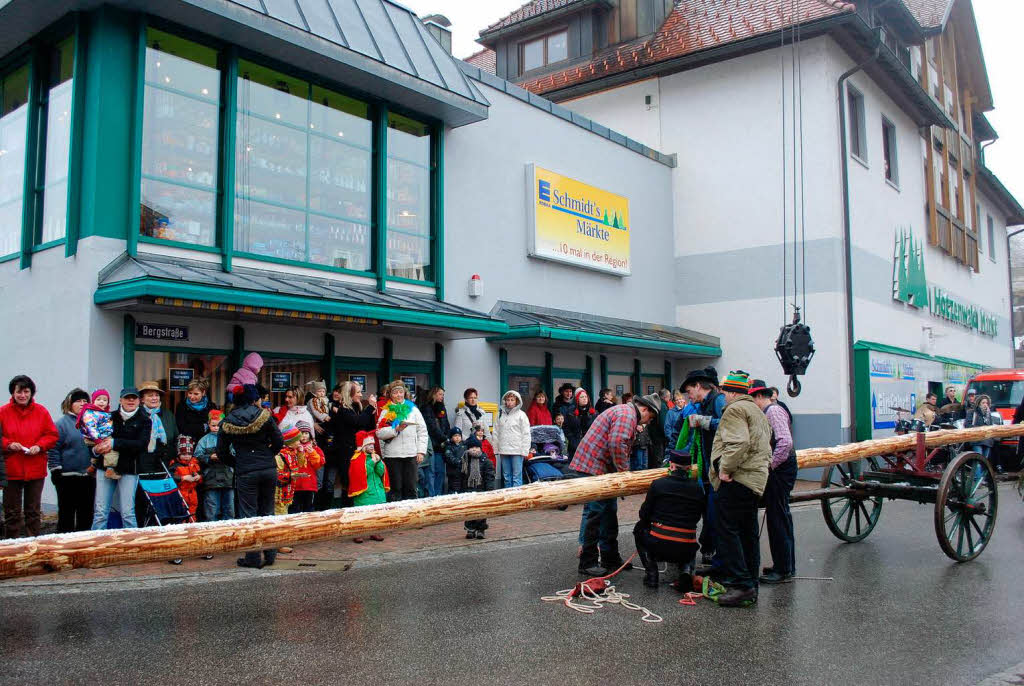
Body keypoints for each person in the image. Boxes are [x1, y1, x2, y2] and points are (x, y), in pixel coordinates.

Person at [571, 393, 661, 576]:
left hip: (600, 467)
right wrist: (624, 472)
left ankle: (610, 557)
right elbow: (617, 443)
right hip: (594, 467)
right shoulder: (628, 415)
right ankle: (587, 562)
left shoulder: (624, 412)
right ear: (644, 409)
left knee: (609, 511)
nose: (647, 423)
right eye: (649, 418)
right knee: (596, 513)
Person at [708, 371, 771, 607]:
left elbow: (739, 442)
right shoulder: (756, 410)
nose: (722, 396)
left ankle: (740, 584)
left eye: (724, 391)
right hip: (754, 479)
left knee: (728, 531)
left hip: (738, 479)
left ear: (733, 392)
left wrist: (725, 469)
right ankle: (750, 581)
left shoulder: (735, 409)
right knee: (747, 532)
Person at [217, 383, 284, 569]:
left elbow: (221, 452)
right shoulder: (264, 416)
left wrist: (237, 462)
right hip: (268, 468)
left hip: (245, 470)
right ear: (254, 399)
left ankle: (253, 558)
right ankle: (270, 554)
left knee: (249, 515)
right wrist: (269, 455)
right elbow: (279, 440)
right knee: (268, 511)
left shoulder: (228, 421)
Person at [633, 449, 705, 588]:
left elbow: (643, 514)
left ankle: (652, 573)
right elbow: (697, 517)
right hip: (686, 546)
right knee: (687, 531)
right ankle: (686, 570)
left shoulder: (658, 484)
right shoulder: (697, 489)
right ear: (689, 468)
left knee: (639, 528)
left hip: (659, 545)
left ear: (671, 466)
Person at [750, 380, 797, 584]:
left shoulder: (773, 411)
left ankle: (784, 569)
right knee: (777, 517)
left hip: (781, 470)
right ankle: (783, 564)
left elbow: (785, 442)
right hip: (779, 468)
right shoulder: (770, 411)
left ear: (760, 396)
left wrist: (770, 465)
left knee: (778, 518)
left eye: (752, 399)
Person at [1, 375, 59, 538]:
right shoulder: (3, 412)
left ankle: (33, 545)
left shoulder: (41, 411)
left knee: (33, 511)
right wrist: (8, 444)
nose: (22, 395)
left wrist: (39, 446)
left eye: (26, 391)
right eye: (18, 391)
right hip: (11, 469)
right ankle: (11, 546)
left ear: (31, 393)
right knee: (12, 512)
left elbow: (52, 435)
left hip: (35, 468)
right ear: (12, 393)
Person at [682, 366, 726, 565]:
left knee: (715, 514)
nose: (689, 397)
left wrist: (704, 421)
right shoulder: (705, 403)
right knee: (708, 511)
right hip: (710, 468)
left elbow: (727, 424)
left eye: (690, 391)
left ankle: (717, 557)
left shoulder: (718, 400)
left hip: (720, 469)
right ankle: (710, 551)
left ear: (698, 386)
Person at [91, 388, 151, 530]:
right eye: (127, 398)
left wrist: (114, 443)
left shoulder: (145, 420)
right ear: (120, 400)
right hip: (105, 467)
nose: (130, 401)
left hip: (130, 469)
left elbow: (141, 445)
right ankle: (96, 547)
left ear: (139, 400)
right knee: (100, 512)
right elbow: (94, 439)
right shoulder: (108, 417)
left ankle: (132, 547)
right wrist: (95, 450)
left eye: (134, 398)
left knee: (128, 513)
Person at [48, 388, 96, 532]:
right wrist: (56, 470)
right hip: (67, 477)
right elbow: (53, 449)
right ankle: (64, 547)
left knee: (86, 515)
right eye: (78, 401)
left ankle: (83, 547)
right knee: (66, 515)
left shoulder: (92, 422)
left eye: (85, 401)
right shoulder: (61, 424)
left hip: (88, 476)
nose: (82, 403)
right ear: (70, 403)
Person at [376, 380, 428, 502]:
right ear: (390, 395)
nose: (399, 395)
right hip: (393, 456)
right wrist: (395, 429)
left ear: (404, 393)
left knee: (411, 488)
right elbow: (379, 433)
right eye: (395, 393)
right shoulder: (386, 411)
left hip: (411, 455)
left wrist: (420, 451)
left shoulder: (413, 410)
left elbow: (422, 431)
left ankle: (412, 518)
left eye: (401, 392)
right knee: (395, 489)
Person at [328, 381, 377, 506]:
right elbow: (358, 422)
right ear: (350, 394)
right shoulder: (344, 410)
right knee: (348, 484)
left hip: (354, 451)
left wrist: (371, 413)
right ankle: (347, 512)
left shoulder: (354, 407)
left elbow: (365, 425)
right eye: (359, 392)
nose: (361, 395)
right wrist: (370, 407)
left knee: (354, 483)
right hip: (345, 453)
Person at [348, 431, 388, 542]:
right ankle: (358, 533)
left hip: (377, 491)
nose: (371, 446)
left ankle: (374, 532)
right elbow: (362, 474)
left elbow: (381, 473)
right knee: (362, 514)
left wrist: (378, 462)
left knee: (376, 513)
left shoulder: (375, 456)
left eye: (373, 444)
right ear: (363, 446)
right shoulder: (357, 459)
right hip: (365, 493)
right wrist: (371, 463)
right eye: (369, 444)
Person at [195, 410, 234, 523]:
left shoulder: (229, 438)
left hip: (228, 477)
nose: (216, 428)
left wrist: (225, 456)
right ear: (208, 424)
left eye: (219, 425)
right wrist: (208, 457)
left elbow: (236, 453)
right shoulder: (204, 440)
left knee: (229, 508)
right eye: (213, 425)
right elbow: (197, 455)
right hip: (211, 478)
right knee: (212, 508)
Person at [461, 425, 497, 538]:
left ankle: (481, 529)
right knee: (470, 510)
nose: (474, 450)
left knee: (482, 511)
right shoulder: (465, 460)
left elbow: (490, 477)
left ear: (480, 448)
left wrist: (490, 490)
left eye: (476, 448)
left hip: (482, 489)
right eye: (472, 448)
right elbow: (462, 476)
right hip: (469, 489)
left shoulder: (486, 461)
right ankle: (470, 529)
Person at [494, 390, 531, 488]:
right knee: (506, 476)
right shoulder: (500, 414)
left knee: (516, 477)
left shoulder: (521, 415)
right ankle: (508, 498)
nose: (509, 402)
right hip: (504, 449)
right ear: (504, 401)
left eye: (512, 400)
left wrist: (525, 451)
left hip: (517, 450)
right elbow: (496, 431)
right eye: (508, 400)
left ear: (517, 402)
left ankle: (517, 499)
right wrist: (496, 448)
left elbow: (526, 434)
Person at [77, 390, 117, 479]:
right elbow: (90, 427)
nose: (101, 402)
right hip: (96, 437)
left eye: (104, 400)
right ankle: (110, 469)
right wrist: (98, 440)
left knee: (99, 453)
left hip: (100, 436)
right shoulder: (91, 413)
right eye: (98, 399)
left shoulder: (104, 412)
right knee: (111, 451)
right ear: (93, 401)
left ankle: (93, 466)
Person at [420, 386, 450, 496]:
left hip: (441, 445)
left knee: (441, 471)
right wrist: (443, 438)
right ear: (433, 394)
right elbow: (431, 427)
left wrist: (447, 437)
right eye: (440, 394)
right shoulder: (426, 408)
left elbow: (446, 424)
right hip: (432, 444)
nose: (442, 397)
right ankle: (431, 495)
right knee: (431, 472)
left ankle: (438, 494)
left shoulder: (442, 408)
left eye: (443, 394)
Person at [290, 420, 325, 513]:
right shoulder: (292, 449)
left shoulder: (315, 448)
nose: (304, 436)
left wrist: (312, 453)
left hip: (309, 485)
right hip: (295, 485)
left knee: (308, 510)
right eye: (301, 433)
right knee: (294, 510)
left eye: (306, 433)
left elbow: (318, 465)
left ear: (310, 434)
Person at [169, 435, 202, 519]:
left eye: (189, 454)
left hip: (192, 493)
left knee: (192, 513)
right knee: (181, 513)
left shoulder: (194, 463)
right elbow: (169, 478)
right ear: (179, 454)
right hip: (180, 493)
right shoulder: (175, 465)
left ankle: (192, 524)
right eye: (183, 454)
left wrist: (199, 477)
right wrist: (183, 478)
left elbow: (201, 475)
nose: (187, 456)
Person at [175, 378, 216, 444]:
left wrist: (193, 426)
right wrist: (203, 427)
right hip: (188, 439)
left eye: (196, 394)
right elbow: (182, 427)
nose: (192, 397)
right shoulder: (182, 406)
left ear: (203, 393)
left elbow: (216, 424)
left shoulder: (211, 406)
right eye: (190, 393)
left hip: (207, 439)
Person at [562, 388, 597, 459]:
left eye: (585, 397)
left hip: (591, 445)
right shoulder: (570, 412)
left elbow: (597, 429)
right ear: (577, 399)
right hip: (575, 445)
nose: (584, 399)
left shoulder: (593, 412)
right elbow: (566, 428)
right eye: (581, 397)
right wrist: (573, 442)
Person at [275, 428, 302, 516]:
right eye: (297, 440)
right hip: (280, 493)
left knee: (285, 512)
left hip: (289, 492)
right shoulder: (280, 455)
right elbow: (277, 474)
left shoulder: (293, 453)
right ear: (291, 442)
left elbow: (301, 464)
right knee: (280, 514)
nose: (299, 442)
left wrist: (301, 453)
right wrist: (292, 475)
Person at [967, 394, 999, 467]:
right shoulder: (972, 412)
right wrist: (980, 429)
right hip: (976, 440)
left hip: (987, 441)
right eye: (983, 403)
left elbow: (990, 426)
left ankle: (982, 478)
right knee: (978, 461)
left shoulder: (988, 414)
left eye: (986, 403)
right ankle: (977, 478)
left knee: (985, 462)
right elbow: (967, 425)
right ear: (979, 403)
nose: (985, 405)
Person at [443, 427, 466, 494]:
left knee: (462, 490)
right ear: (451, 437)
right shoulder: (449, 447)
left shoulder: (464, 446)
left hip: (462, 473)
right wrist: (459, 462)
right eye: (455, 435)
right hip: (453, 473)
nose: (457, 437)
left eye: (459, 435)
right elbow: (449, 458)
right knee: (453, 490)